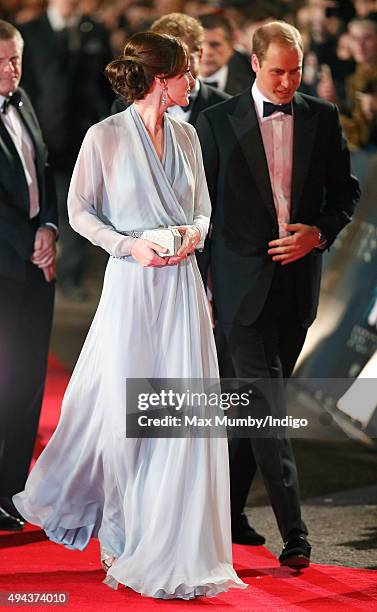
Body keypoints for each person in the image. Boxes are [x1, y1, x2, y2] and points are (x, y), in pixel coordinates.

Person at [13, 31, 246, 599]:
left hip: (182, 292)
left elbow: (204, 210)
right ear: (160, 79)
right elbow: (78, 212)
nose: (195, 81)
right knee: (128, 417)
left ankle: (176, 540)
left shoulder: (190, 136)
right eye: (187, 72)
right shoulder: (106, 136)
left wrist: (193, 233)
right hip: (133, 287)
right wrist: (128, 246)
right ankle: (121, 536)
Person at [196, 21, 360, 568]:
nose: (289, 82)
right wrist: (202, 289)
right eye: (277, 71)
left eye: (296, 71)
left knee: (248, 407)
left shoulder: (324, 116)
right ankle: (296, 533)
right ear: (253, 65)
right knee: (267, 407)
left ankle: (227, 512)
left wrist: (320, 232)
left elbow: (347, 190)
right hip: (238, 291)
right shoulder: (215, 122)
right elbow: (202, 213)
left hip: (297, 291)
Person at [112, 12, 230, 289]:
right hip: (140, 258)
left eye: (186, 61)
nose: (186, 69)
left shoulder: (225, 111)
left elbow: (222, 189)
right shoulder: (117, 118)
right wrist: (129, 244)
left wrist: (200, 235)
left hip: (207, 250)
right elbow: (100, 202)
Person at [0, 19, 58, 531]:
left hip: (37, 266)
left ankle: (12, 491)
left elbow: (46, 169)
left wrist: (51, 227)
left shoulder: (23, 100)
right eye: (0, 62)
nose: (10, 69)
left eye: (15, 59)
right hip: (5, 268)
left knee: (29, 382)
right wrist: (33, 244)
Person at [19, 0, 113, 301]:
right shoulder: (30, 32)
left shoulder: (94, 31)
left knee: (78, 206)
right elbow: (23, 85)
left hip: (82, 137)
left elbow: (105, 85)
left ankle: (69, 276)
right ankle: (29, 272)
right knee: (34, 207)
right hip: (38, 135)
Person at [198, 12, 254, 95]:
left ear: (231, 47)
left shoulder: (251, 89)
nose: (207, 52)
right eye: (198, 44)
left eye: (215, 45)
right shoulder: (172, 87)